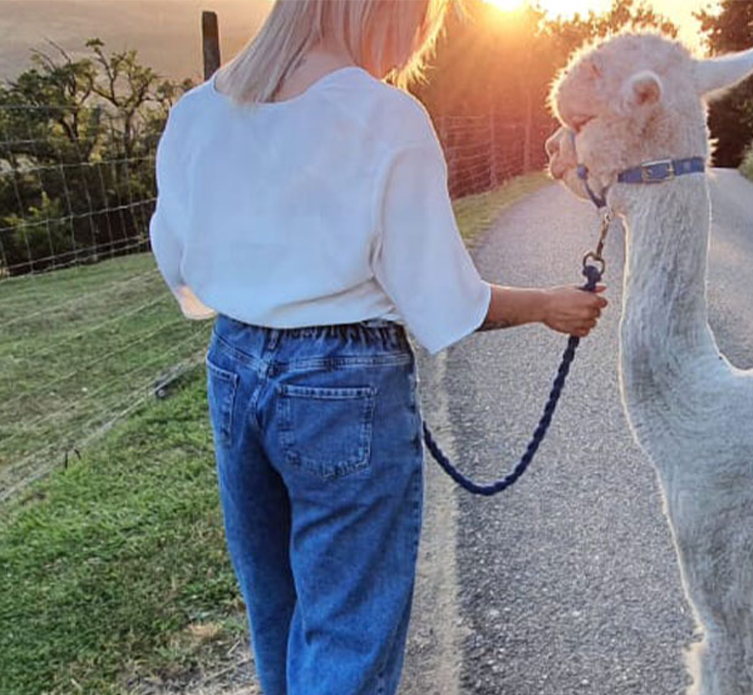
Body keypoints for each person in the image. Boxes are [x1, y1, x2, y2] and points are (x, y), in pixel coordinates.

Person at [147, 0, 608, 692]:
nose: (415, 43)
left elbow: (178, 263)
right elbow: (444, 300)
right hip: (344, 387)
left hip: (234, 367)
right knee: (346, 635)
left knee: (279, 616)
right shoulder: (384, 117)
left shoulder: (198, 113)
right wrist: (546, 305)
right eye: (419, 18)